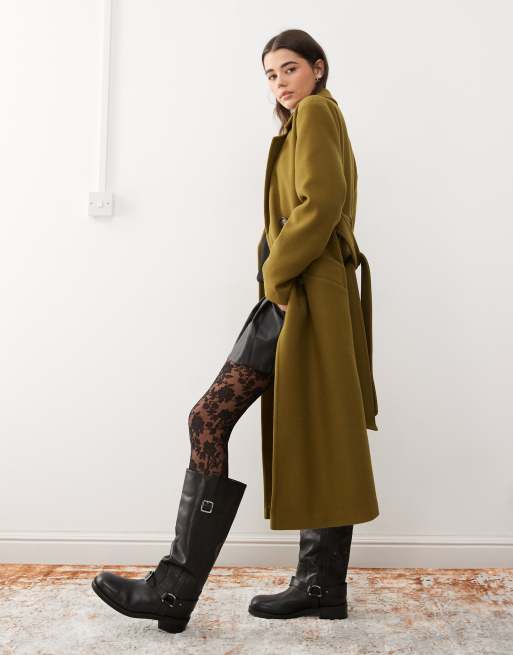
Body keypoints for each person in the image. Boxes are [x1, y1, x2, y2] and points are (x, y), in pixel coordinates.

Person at [92, 28, 379, 633]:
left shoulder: (317, 113)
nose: (280, 82)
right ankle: (319, 584)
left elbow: (322, 202)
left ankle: (175, 588)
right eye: (271, 74)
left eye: (290, 68)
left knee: (211, 417)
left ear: (318, 68)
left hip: (305, 293)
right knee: (316, 427)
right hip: (304, 292)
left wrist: (276, 275)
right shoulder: (303, 121)